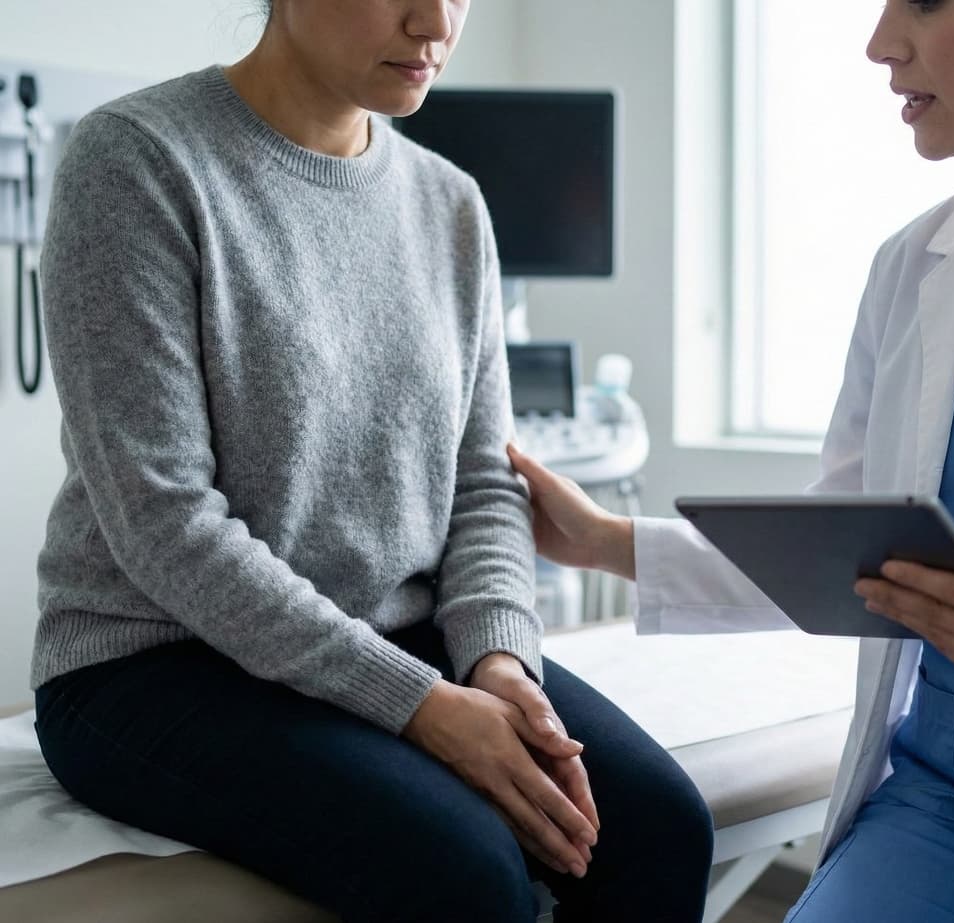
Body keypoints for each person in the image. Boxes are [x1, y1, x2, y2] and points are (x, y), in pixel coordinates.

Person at [29, 1, 714, 920]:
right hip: (153, 663)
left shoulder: (450, 204)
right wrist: (422, 705)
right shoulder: (135, 164)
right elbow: (165, 520)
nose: (435, 22)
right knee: (466, 871)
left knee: (662, 829)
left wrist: (500, 663)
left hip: (396, 632)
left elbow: (483, 481)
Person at [510, 0, 954, 920]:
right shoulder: (915, 269)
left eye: (926, 1)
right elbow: (845, 551)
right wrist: (600, 539)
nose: (880, 42)